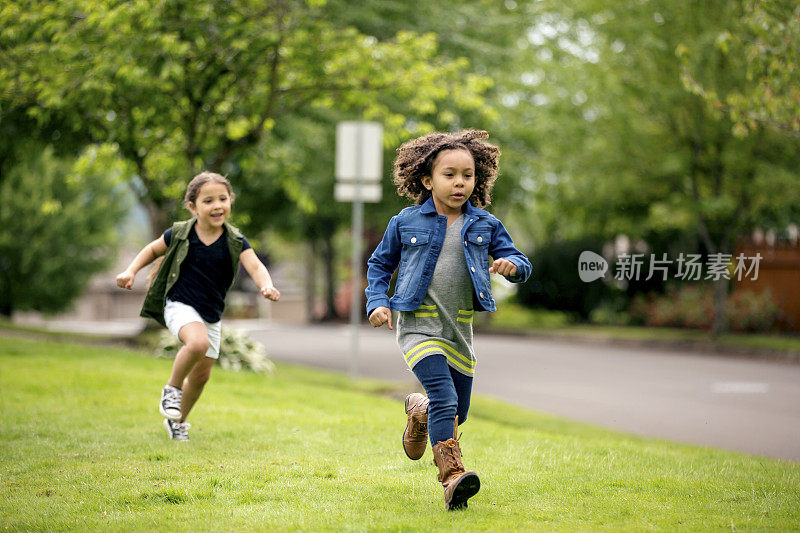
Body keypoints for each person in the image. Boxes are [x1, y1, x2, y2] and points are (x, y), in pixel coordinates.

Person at [365, 130, 531, 510]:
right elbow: (379, 265)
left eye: (468, 175)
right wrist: (378, 301)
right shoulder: (406, 221)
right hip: (417, 325)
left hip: (459, 328)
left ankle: (419, 412)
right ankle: (453, 476)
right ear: (427, 180)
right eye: (449, 174)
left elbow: (521, 260)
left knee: (457, 412)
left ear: (479, 178)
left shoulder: (486, 224)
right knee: (445, 395)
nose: (460, 183)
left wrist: (513, 267)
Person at [116, 171, 280, 441]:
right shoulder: (181, 233)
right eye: (208, 201)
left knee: (202, 376)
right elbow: (152, 250)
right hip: (179, 304)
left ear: (230, 202)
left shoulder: (235, 240)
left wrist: (266, 285)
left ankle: (178, 421)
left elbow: (256, 265)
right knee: (197, 343)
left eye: (223, 199)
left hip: (211, 314)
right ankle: (171, 389)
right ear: (193, 207)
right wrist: (130, 271)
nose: (217, 205)